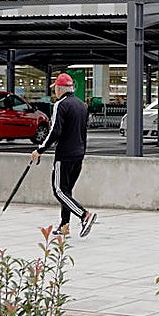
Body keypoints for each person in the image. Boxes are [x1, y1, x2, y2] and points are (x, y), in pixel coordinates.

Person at [31, 73, 97, 237]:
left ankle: (84, 215)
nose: (55, 93)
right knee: (67, 191)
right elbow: (83, 132)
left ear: (60, 89)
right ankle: (64, 225)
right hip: (78, 155)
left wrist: (40, 149)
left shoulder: (60, 105)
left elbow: (55, 131)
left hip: (65, 155)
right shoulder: (82, 105)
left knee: (59, 191)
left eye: (55, 89)